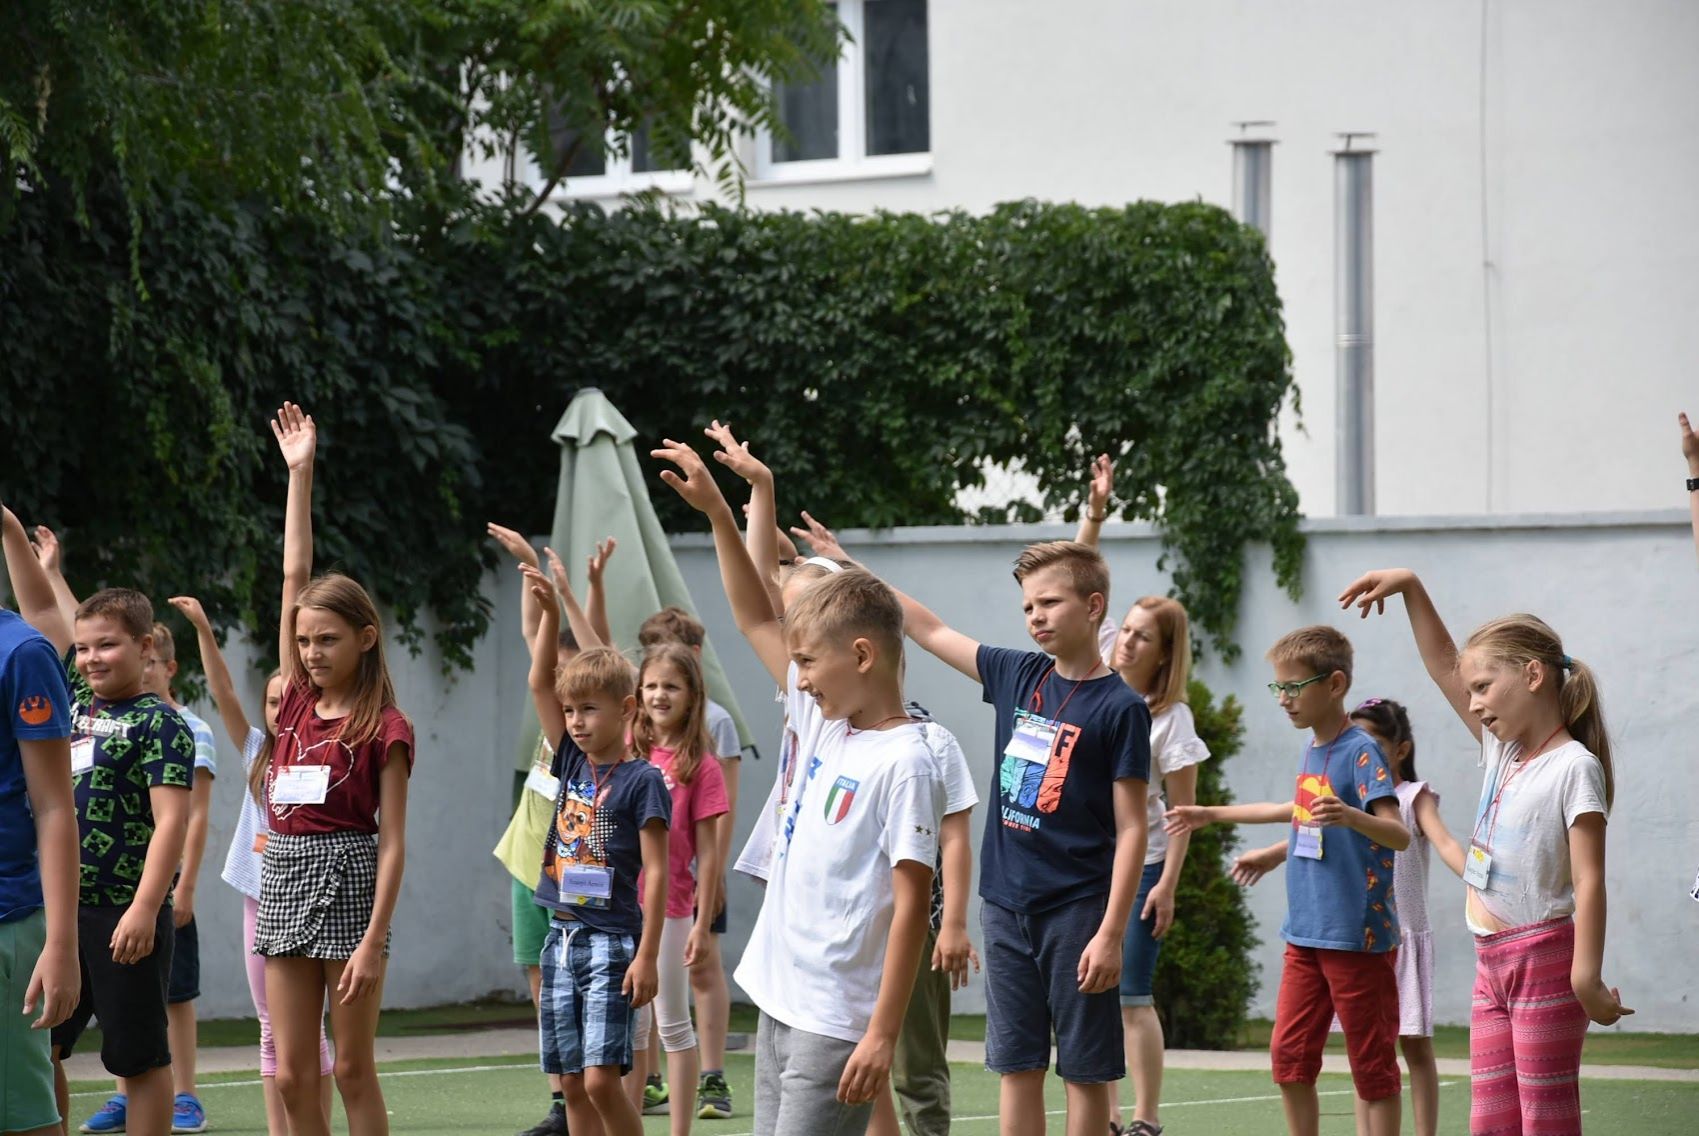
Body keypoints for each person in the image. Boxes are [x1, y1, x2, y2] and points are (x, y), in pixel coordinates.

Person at [653, 434, 945, 1136]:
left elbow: (912, 908)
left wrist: (881, 1033)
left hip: (835, 1019)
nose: (798, 679)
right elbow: (753, 612)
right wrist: (720, 511)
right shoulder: (824, 722)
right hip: (781, 1002)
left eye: (808, 661)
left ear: (862, 655)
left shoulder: (909, 759)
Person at [1338, 569, 1630, 1134]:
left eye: (1483, 688)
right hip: (1490, 961)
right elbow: (1444, 664)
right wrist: (1411, 587)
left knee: (1544, 1118)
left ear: (1533, 675)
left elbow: (1589, 879)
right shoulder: (1503, 752)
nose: (1472, 704)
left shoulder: (1574, 767)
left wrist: (1585, 979)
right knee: (1490, 1120)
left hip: (1544, 960)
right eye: (1470, 691)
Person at [892, 536, 1151, 1136]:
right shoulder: (1017, 672)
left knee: (1085, 1072)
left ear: (1093, 606)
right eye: (1028, 606)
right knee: (1016, 1066)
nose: (1036, 616)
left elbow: (1134, 827)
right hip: (1005, 906)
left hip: (1079, 911)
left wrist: (1111, 934)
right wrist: (843, 564)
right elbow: (928, 629)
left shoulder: (1121, 707)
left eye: (1050, 602)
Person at [1166, 626, 1409, 1136]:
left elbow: (1398, 834)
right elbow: (1296, 812)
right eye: (1278, 687)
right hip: (1304, 934)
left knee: (1372, 1068)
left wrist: (1351, 815)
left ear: (1335, 684)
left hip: (1356, 937)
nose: (1283, 698)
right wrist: (1212, 814)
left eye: (1294, 686)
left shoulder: (1362, 751)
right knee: (1290, 1059)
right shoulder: (1312, 749)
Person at [257, 402, 415, 1136]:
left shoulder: (386, 726)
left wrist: (374, 939)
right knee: (291, 1075)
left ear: (365, 638)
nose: (312, 652)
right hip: (284, 873)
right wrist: (300, 474)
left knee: (350, 1068)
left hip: (352, 880)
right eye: (304, 641)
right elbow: (295, 572)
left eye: (328, 640)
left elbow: (393, 841)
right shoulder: (292, 698)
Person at [1232, 696, 1464, 1136]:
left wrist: (1475, 878)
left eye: (1373, 743)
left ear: (1400, 750)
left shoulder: (1411, 797)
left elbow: (1442, 842)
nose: (1363, 752)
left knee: (1408, 1048)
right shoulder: (1334, 780)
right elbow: (1307, 829)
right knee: (1360, 1051)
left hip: (1391, 932)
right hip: (1342, 933)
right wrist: (1270, 853)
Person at [170, 595, 334, 1136]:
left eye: (289, 699)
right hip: (260, 900)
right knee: (269, 1026)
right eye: (271, 701)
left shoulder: (327, 749)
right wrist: (203, 629)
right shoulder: (257, 751)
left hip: (312, 900)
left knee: (310, 1029)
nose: (279, 708)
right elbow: (222, 692)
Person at [523, 560, 671, 1136]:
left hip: (612, 941)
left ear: (627, 709)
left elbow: (656, 872)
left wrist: (647, 955)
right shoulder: (570, 759)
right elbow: (541, 682)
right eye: (570, 711)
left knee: (602, 1081)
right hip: (560, 935)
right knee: (572, 1086)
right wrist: (550, 613)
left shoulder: (643, 780)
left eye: (589, 709)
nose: (577, 722)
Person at [488, 524, 603, 1136]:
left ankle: (590, 1093)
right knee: (541, 982)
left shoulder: (583, 739)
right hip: (525, 860)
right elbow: (534, 637)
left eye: (570, 679)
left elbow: (595, 654)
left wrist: (569, 596)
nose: (558, 686)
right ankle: (562, 1099)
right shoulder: (554, 718)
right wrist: (530, 568)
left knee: (581, 983)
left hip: (571, 874)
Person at [634, 606, 741, 1122]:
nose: (660, 695)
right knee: (633, 1031)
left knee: (673, 1024)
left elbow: (708, 849)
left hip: (674, 909)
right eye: (652, 686)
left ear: (693, 696)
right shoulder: (628, 752)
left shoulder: (702, 764)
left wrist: (701, 922)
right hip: (620, 908)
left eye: (672, 687)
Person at [0, 504, 80, 1136]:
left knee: (25, 1117)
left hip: (8, 920)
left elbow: (55, 807)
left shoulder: (23, 652)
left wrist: (60, 944)